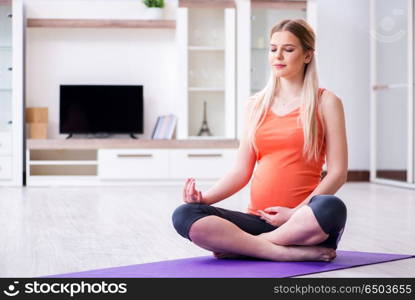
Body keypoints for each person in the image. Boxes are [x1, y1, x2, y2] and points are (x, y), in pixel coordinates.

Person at [172, 19, 348, 262]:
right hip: (257, 220)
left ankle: (245, 247)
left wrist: (295, 213)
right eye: (273, 49)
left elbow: (338, 172)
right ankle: (279, 252)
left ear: (307, 55)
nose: (278, 56)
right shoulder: (255, 105)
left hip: (303, 222)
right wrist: (204, 199)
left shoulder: (326, 102)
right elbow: (241, 171)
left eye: (288, 49)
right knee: (185, 214)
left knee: (332, 207)